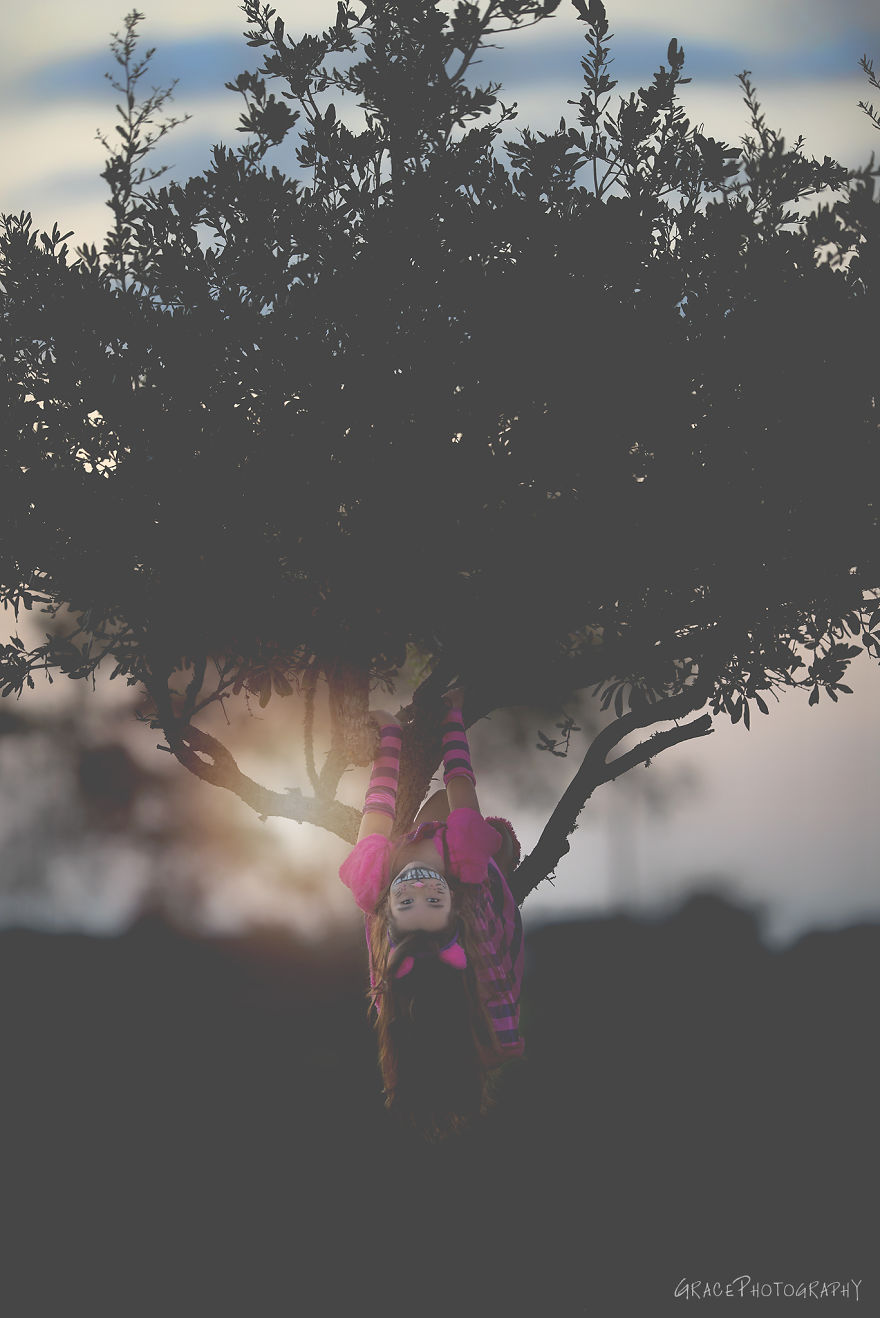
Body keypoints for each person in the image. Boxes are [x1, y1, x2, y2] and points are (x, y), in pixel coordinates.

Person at [339, 688, 524, 1139]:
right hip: (484, 859)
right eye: (431, 899)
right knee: (466, 818)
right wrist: (452, 719)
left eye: (407, 900)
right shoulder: (465, 857)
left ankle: (435, 1050)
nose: (416, 887)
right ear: (454, 903)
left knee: (415, 1005)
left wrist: (391, 737)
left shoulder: (375, 877)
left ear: (389, 909)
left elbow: (377, 807)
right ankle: (462, 1041)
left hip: (427, 943)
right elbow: (461, 779)